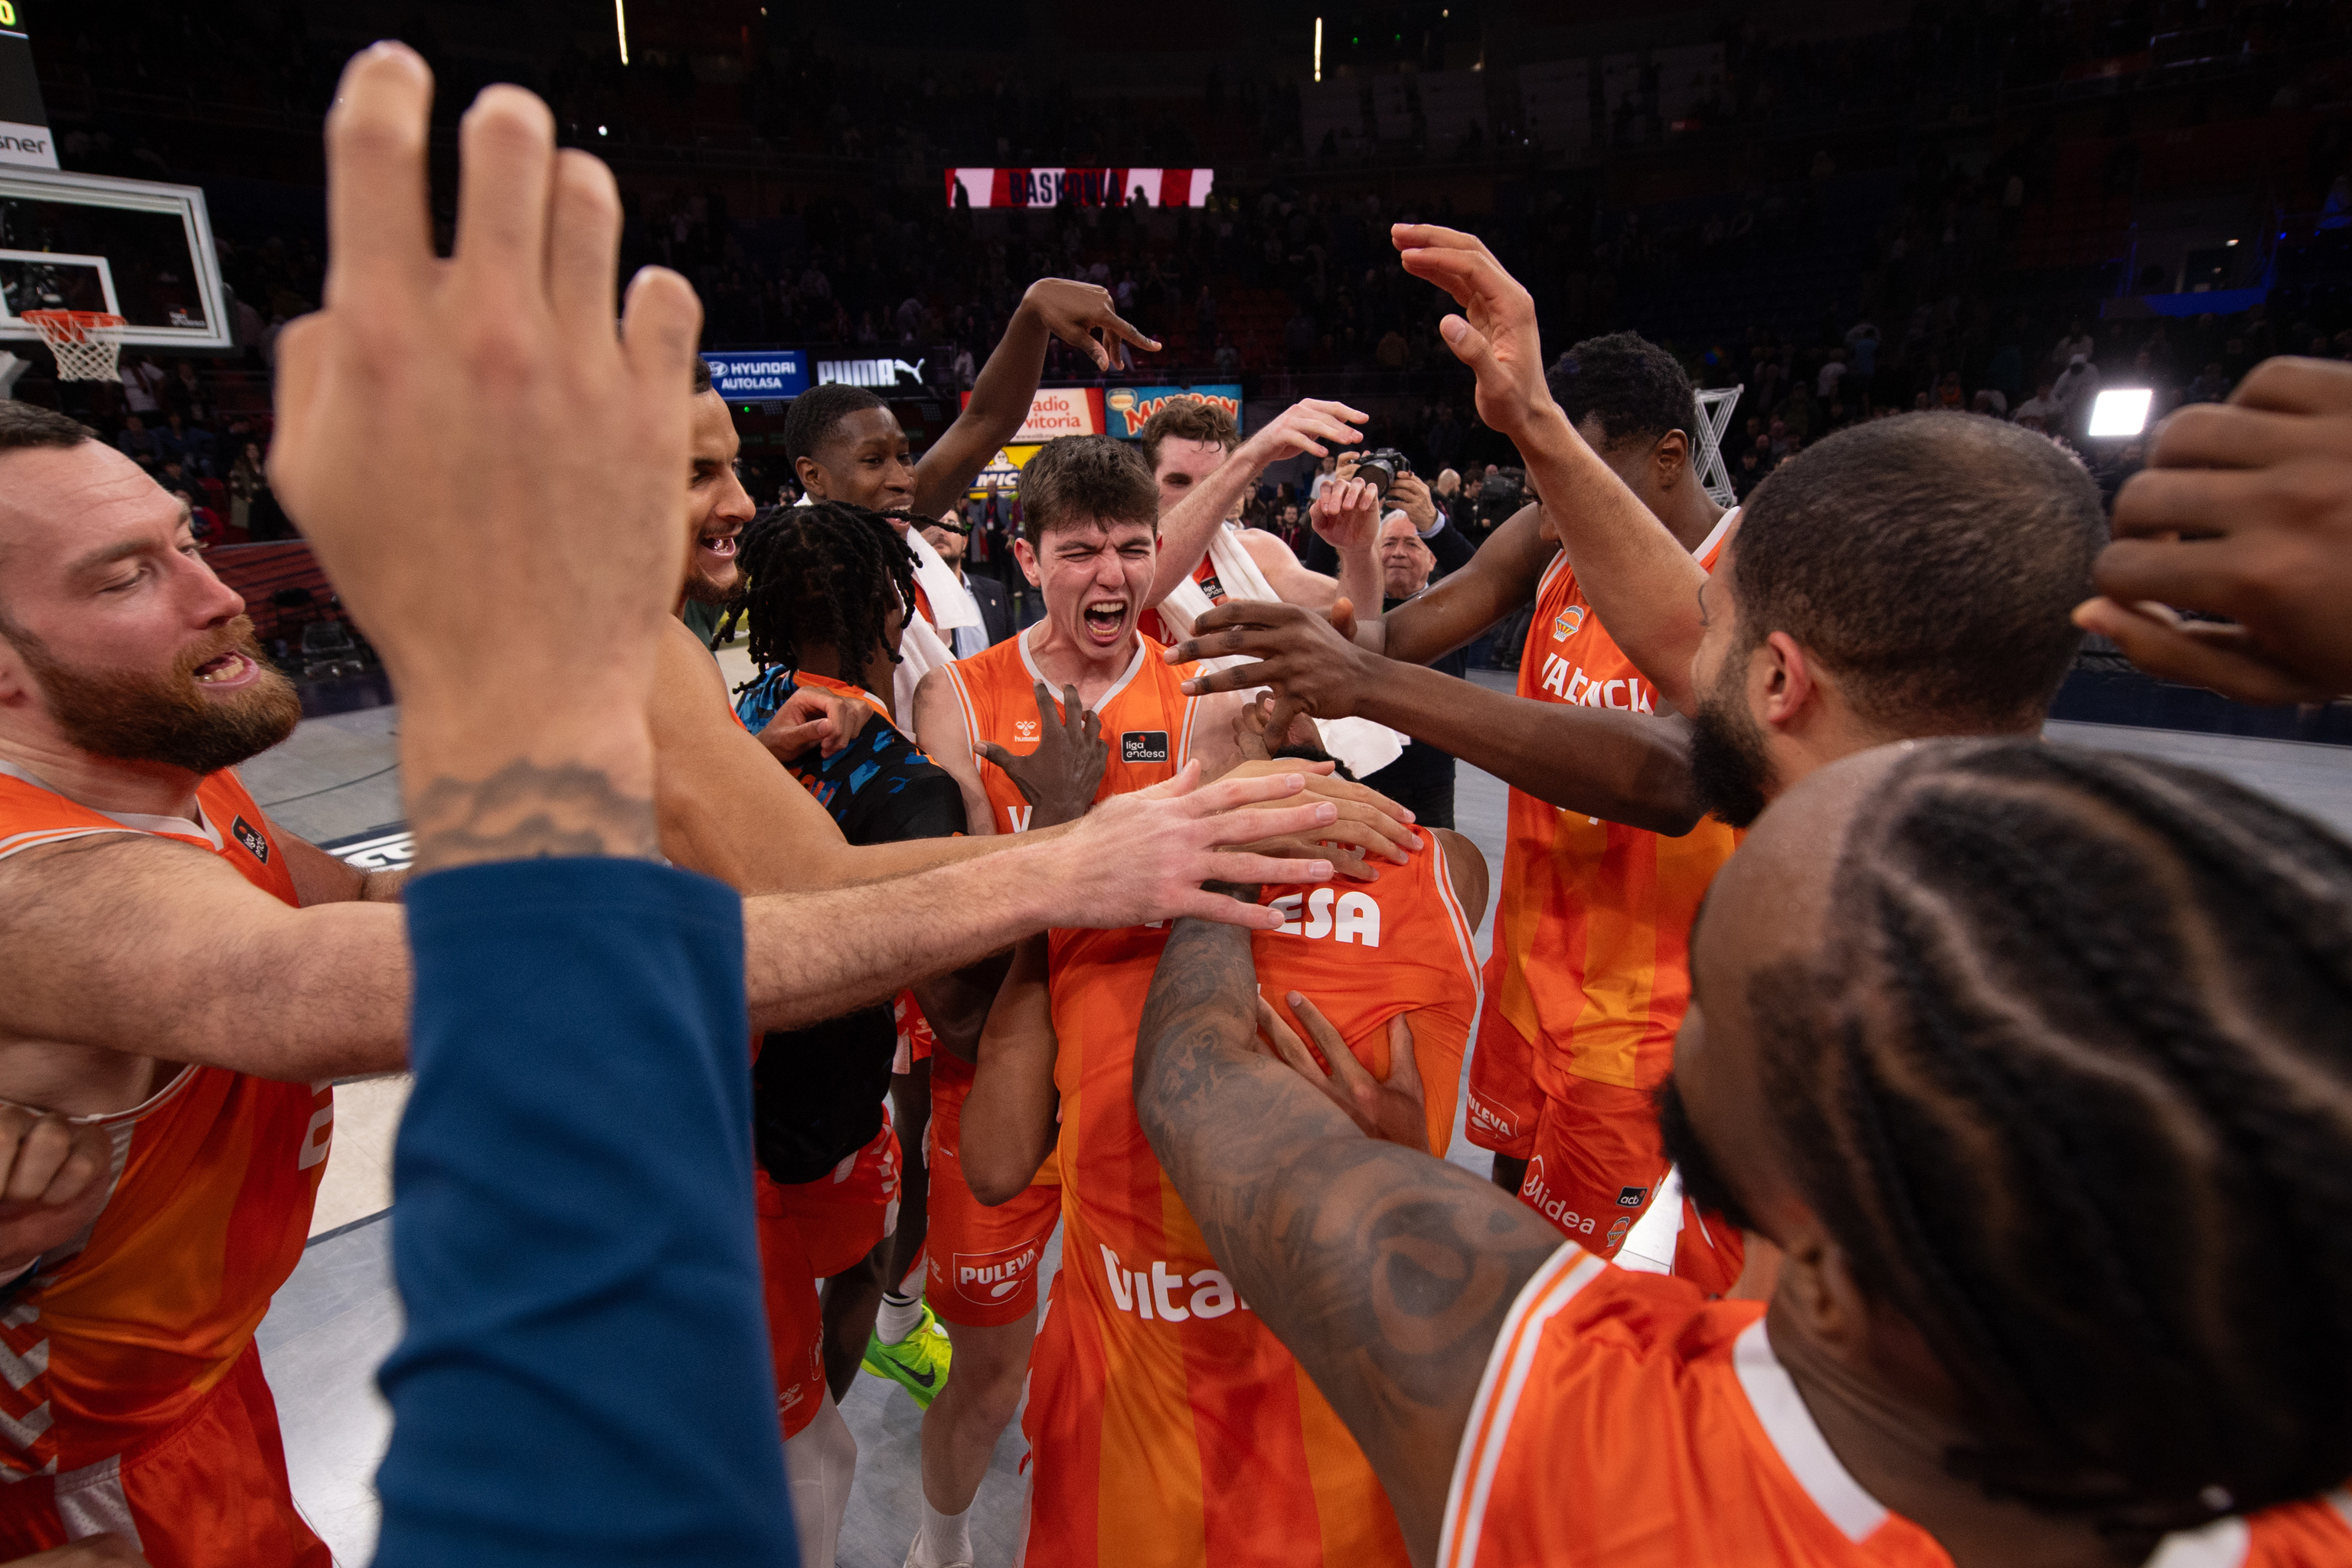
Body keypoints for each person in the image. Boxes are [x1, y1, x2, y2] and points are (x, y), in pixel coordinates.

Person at [1132, 738, 2352, 1568]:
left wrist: (1222, 828)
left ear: (1826, 1270)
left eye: (1715, 999)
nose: (1682, 1022)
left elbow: (1200, 1081)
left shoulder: (1581, 1435)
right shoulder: (2289, 1504)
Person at [1171, 228, 2115, 1285]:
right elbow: (1678, 641)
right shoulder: (1963, 811)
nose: (1711, 637)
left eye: (1740, 631)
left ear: (1787, 674)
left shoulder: (1957, 1037)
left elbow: (1677, 765)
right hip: (1542, 978)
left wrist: (1299, 1184)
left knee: (1575, 1322)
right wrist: (1528, 421)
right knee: (1530, 1258)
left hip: (1644, 1032)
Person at [904, 436, 1417, 1568]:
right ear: (1027, 558)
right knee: (989, 1373)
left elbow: (1333, 753)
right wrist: (1064, 847)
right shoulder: (957, 695)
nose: (1111, 576)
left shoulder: (1201, 687)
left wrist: (1310, 798)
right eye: (1079, 550)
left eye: (1132, 548)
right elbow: (944, 943)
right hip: (994, 1064)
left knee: (1176, 1338)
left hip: (1146, 1079)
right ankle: (939, 1544)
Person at [969, 714, 1487, 1568]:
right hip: (1243, 1467)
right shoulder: (1433, 873)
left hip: (1174, 1471)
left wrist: (1066, 865)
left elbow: (993, 1164)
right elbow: (992, 1162)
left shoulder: (1097, 894)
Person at [1354, 511, 1465, 830]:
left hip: (1430, 775)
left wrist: (1435, 522)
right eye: (1389, 543)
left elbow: (1488, 572)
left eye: (1412, 544)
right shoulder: (1355, 607)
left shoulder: (1456, 608)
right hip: (1363, 770)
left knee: (1432, 866)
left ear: (1433, 558)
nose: (1399, 552)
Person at [921, 512, 1012, 647]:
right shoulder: (908, 600)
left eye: (950, 524)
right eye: (933, 524)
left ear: (964, 541)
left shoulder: (994, 592)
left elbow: (1009, 655)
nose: (940, 531)